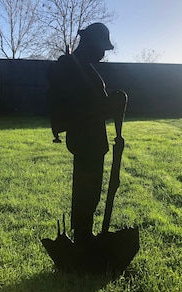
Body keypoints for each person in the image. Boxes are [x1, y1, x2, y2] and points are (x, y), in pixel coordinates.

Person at [47, 23, 126, 244]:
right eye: (101, 48)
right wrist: (114, 103)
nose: (103, 54)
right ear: (90, 44)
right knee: (86, 191)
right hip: (86, 140)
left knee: (89, 191)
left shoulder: (80, 67)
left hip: (90, 140)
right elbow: (86, 108)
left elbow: (93, 104)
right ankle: (82, 238)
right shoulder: (75, 69)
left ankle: (84, 234)